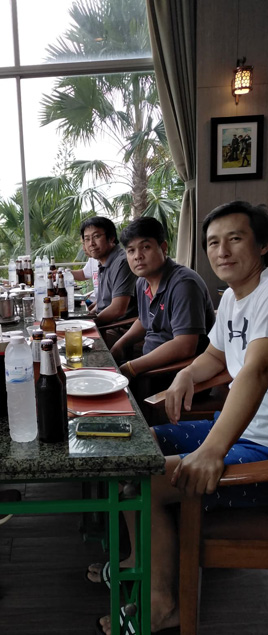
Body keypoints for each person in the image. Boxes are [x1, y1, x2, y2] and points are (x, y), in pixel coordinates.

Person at [94, 201, 268, 634]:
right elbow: (214, 354)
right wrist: (186, 376)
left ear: (263, 245)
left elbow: (257, 371)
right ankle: (142, 560)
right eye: (213, 242)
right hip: (238, 430)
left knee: (150, 482)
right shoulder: (234, 298)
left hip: (261, 451)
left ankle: (163, 605)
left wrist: (211, 451)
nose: (222, 251)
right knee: (133, 450)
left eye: (235, 239)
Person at [111, 217, 215, 385]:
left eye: (145, 247)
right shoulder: (142, 282)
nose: (138, 256)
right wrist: (119, 345)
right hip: (149, 364)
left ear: (163, 248)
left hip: (177, 376)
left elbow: (185, 346)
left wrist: (131, 368)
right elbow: (144, 320)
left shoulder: (184, 284)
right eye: (131, 251)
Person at [80, 216, 137, 347]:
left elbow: (118, 309)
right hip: (106, 324)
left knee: (77, 346)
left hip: (119, 329)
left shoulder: (122, 262)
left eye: (96, 236)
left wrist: (88, 324)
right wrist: (88, 315)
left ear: (111, 238)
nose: (91, 243)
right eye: (87, 239)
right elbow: (104, 301)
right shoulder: (103, 262)